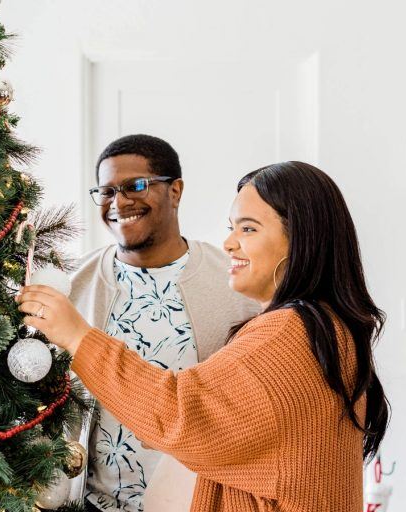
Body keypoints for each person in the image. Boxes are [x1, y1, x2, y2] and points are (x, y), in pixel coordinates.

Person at [20, 161, 390, 511]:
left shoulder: (289, 334)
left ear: (301, 240)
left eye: (248, 229)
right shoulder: (320, 328)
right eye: (232, 227)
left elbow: (179, 412)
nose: (229, 243)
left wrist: (78, 337)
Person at [67, 134, 259, 512]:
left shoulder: (236, 285)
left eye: (136, 186)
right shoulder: (75, 285)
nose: (119, 202)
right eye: (106, 191)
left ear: (175, 191)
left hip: (199, 504)